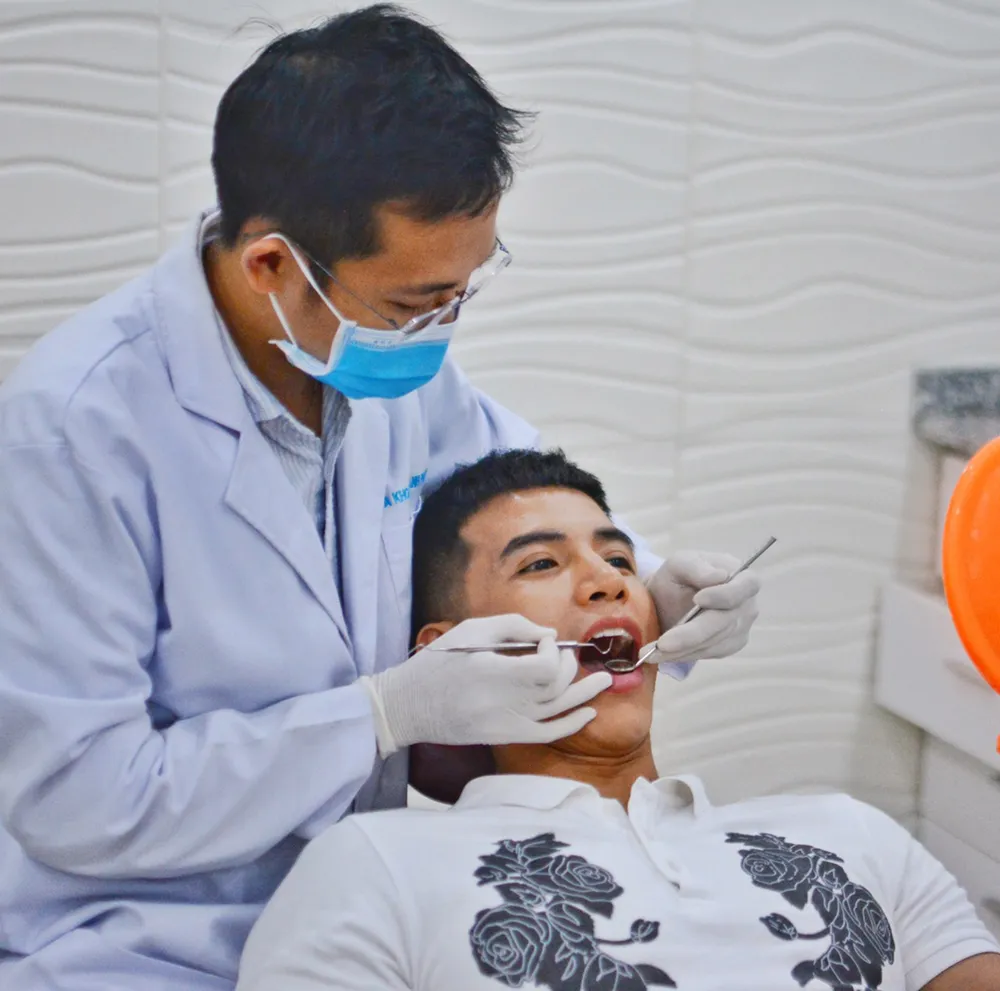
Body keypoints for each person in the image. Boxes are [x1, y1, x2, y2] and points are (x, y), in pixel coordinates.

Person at [0, 7, 761, 990]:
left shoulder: (378, 364)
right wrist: (378, 716)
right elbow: (78, 797)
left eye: (463, 289)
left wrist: (657, 581)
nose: (442, 326)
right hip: (146, 947)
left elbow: (520, 488)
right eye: (414, 302)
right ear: (272, 265)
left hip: (363, 922)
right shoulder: (72, 434)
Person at [237, 448, 1000, 991]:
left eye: (621, 561)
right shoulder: (372, 867)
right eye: (541, 563)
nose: (607, 581)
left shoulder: (849, 834)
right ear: (449, 650)